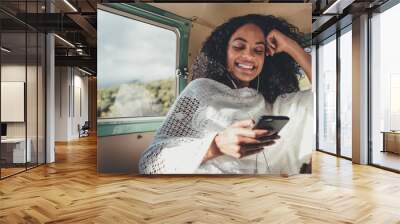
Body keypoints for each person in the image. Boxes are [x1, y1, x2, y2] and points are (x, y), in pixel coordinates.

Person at [139, 14, 313, 175]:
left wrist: (291, 46)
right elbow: (149, 163)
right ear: (224, 51)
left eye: (258, 50)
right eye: (239, 46)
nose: (248, 55)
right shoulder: (200, 90)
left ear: (266, 58)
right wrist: (216, 146)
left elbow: (330, 93)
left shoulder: (272, 104)